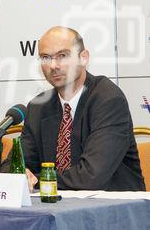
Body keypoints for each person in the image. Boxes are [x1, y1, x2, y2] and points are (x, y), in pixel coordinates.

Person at [15, 26, 145, 191]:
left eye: (62, 55)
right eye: (46, 57)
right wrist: (20, 175)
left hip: (113, 210)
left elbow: (91, 177)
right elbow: (15, 163)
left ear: (84, 58)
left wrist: (37, 181)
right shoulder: (38, 106)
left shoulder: (108, 99)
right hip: (58, 210)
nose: (54, 65)